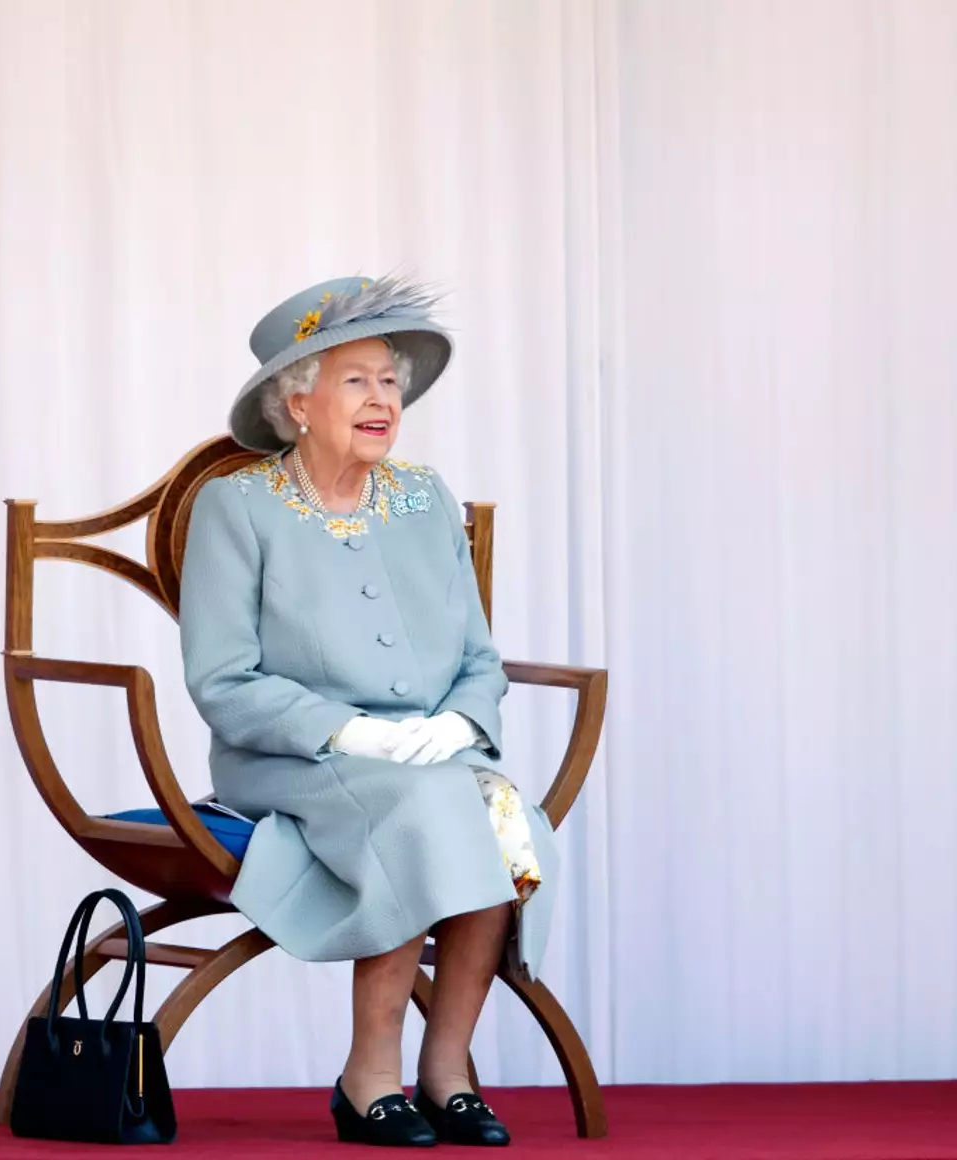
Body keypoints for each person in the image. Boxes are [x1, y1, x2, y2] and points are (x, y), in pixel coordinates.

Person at [179, 275, 558, 1148]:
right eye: (356, 381)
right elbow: (222, 679)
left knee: (499, 813)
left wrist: (458, 725)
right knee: (426, 812)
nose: (383, 399)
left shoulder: (426, 498)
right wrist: (348, 731)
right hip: (291, 759)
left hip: (430, 755)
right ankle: (369, 1077)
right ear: (297, 403)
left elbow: (478, 657)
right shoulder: (236, 507)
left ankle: (447, 1072)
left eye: (390, 380)